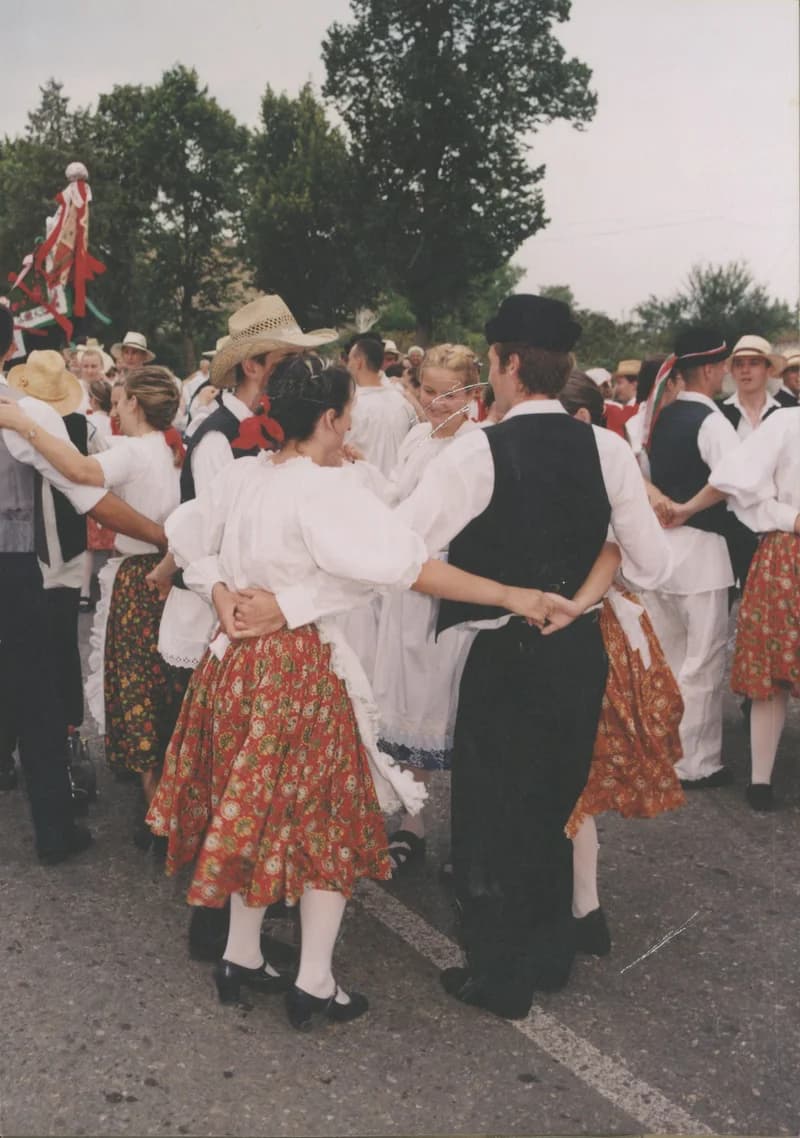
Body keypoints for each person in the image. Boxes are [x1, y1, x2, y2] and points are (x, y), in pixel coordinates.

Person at [146, 354, 555, 1029]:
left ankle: (243, 954)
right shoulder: (322, 489)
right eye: (346, 421)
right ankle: (313, 980)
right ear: (330, 418)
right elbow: (405, 565)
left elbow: (190, 536)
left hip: (236, 668)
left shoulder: (252, 476)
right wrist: (512, 594)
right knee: (323, 822)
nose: (348, 434)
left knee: (257, 811)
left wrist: (228, 594)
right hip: (295, 673)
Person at [391, 294, 672, 1020]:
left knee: (492, 812)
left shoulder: (476, 450)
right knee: (557, 802)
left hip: (505, 650)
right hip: (578, 650)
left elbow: (401, 551)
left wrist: (510, 593)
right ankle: (551, 955)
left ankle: (501, 975)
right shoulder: (607, 447)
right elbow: (654, 561)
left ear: (510, 365)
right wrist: (583, 586)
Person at [0, 318, 171, 863]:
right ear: (12, 346)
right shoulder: (25, 412)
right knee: (38, 696)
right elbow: (84, 494)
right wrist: (164, 536)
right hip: (11, 563)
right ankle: (54, 831)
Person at [559, 370, 685, 956]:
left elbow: (618, 549)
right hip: (586, 619)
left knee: (577, 772)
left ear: (581, 420)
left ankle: (584, 904)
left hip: (595, 627)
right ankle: (580, 904)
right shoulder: (606, 464)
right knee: (572, 772)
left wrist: (580, 600)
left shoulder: (607, 467)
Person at [370, 344, 482, 875]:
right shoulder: (418, 435)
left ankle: (460, 835)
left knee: (445, 701)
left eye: (449, 394)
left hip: (444, 582)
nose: (436, 403)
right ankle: (411, 819)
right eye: (428, 391)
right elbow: (394, 494)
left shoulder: (475, 443)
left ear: (472, 391)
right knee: (404, 696)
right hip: (403, 580)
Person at [674, 408, 800, 811]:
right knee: (771, 670)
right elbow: (738, 480)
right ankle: (760, 780)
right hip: (788, 551)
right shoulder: (786, 423)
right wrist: (792, 517)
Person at [639, 328, 740, 789]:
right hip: (701, 551)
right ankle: (694, 761)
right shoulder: (713, 421)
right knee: (701, 662)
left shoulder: (657, 417)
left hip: (661, 554)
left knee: (666, 657)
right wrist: (686, 508)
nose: (724, 375)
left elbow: (636, 472)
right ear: (709, 369)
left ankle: (660, 752)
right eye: (722, 367)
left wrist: (661, 500)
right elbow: (732, 479)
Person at [346, 335, 417, 476]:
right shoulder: (403, 402)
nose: (348, 365)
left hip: (365, 487)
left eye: (349, 360)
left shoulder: (352, 406)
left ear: (359, 362)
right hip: (398, 487)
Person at [721, 334, 784, 439]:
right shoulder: (720, 413)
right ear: (732, 372)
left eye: (754, 363)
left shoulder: (783, 414)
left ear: (768, 370)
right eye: (739, 364)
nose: (745, 370)